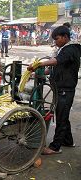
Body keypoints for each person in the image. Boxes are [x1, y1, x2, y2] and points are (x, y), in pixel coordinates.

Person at [28, 26, 81, 155]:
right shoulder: (63, 50)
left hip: (66, 89)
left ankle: (55, 147)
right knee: (63, 115)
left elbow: (56, 62)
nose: (55, 42)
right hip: (60, 87)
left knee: (61, 117)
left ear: (65, 37)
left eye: (56, 39)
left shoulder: (71, 49)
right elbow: (55, 68)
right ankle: (68, 141)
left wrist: (39, 64)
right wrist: (37, 73)